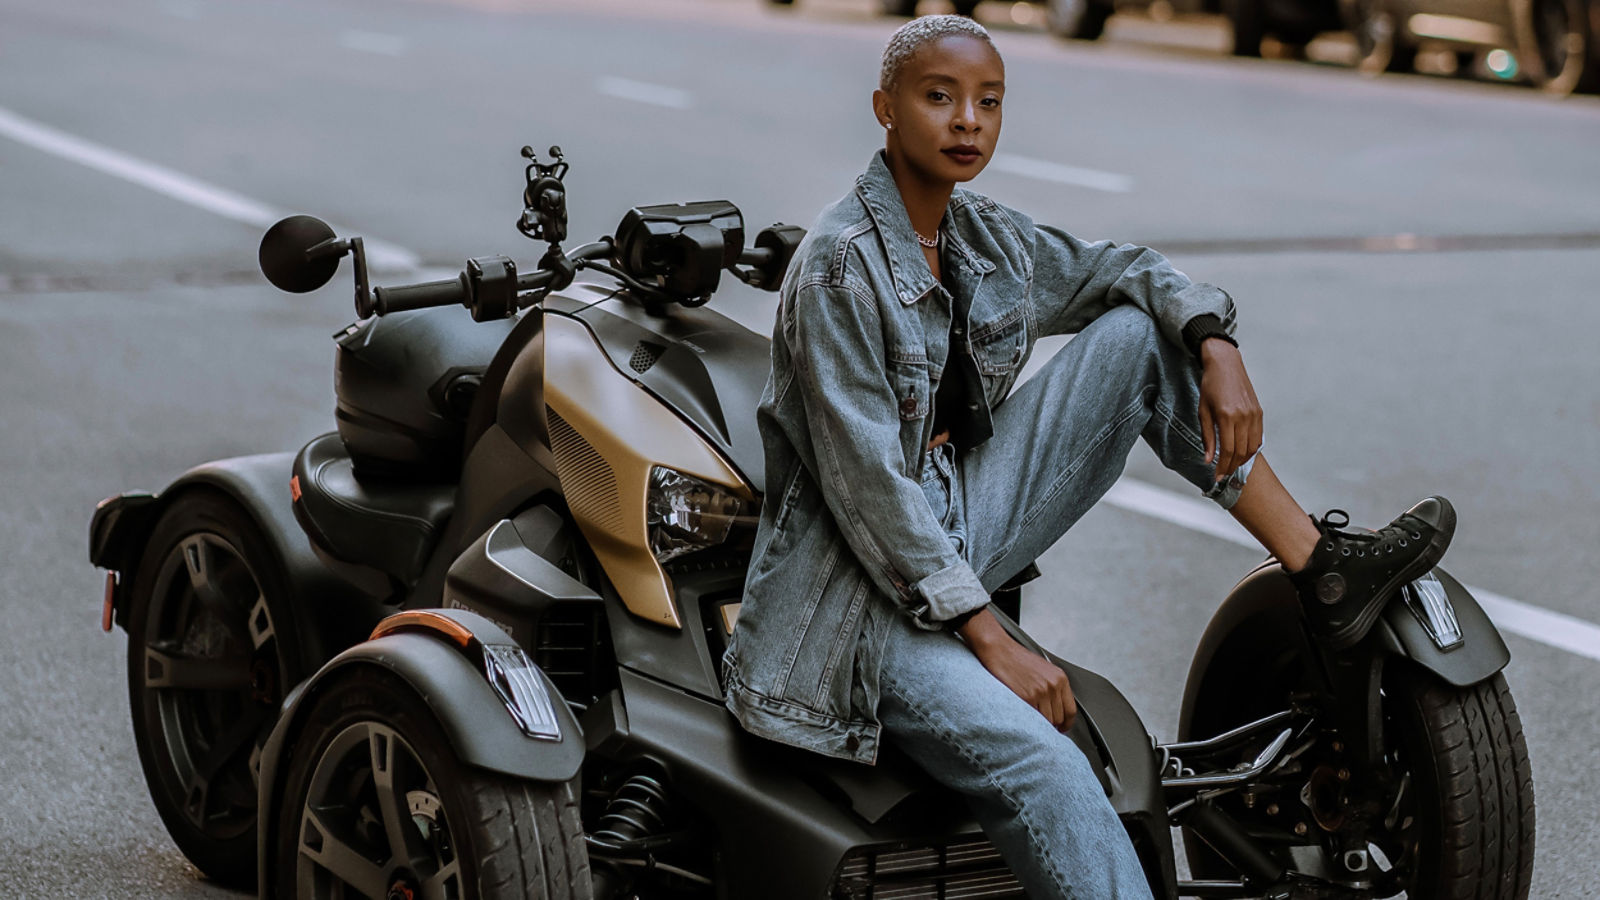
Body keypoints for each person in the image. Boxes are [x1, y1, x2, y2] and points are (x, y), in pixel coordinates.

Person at [720, 15, 1455, 898]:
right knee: (1051, 762)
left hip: (956, 519)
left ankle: (1325, 573)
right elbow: (870, 491)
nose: (967, 121)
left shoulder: (982, 238)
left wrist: (1213, 340)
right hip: (857, 600)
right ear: (886, 108)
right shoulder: (838, 268)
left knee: (1139, 337)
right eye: (940, 97)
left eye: (989, 102)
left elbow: (1124, 269)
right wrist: (993, 640)